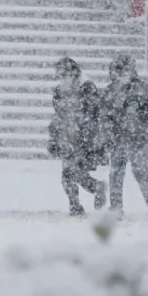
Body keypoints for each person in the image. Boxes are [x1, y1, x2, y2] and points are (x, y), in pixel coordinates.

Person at [99, 54, 148, 219]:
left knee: (141, 171)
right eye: (119, 72)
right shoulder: (110, 91)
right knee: (115, 174)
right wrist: (108, 136)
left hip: (138, 140)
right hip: (118, 140)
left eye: (126, 71)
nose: (122, 76)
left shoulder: (143, 90)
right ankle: (116, 207)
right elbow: (104, 116)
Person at [47, 57, 107, 216]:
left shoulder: (88, 88)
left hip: (85, 139)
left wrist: (84, 135)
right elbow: (58, 116)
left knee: (72, 173)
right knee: (70, 174)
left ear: (75, 74)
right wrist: (55, 136)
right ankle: (84, 197)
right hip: (67, 137)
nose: (64, 79)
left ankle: (81, 201)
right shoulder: (58, 92)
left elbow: (94, 115)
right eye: (61, 76)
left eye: (66, 75)